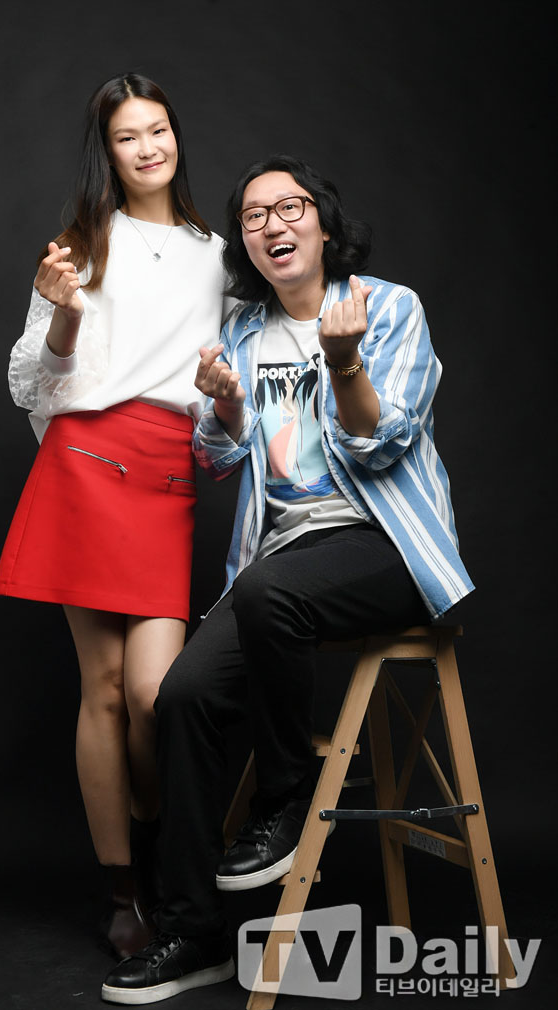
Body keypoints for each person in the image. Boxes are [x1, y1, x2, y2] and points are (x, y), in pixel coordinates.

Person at [100, 154, 475, 1004]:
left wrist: (343, 364)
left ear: (324, 225)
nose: (273, 223)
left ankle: (287, 795)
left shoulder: (386, 308)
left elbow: (381, 444)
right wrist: (228, 411)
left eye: (290, 206)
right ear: (246, 244)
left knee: (271, 592)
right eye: (253, 216)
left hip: (386, 546)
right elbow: (221, 457)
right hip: (284, 564)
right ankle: (193, 931)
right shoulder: (242, 332)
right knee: (182, 697)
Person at [0, 73, 227, 959]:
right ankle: (125, 894)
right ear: (109, 150)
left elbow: (236, 373)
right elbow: (33, 382)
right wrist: (61, 316)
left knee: (153, 695)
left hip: (165, 469)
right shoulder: (82, 243)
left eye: (158, 129)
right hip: (85, 461)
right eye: (128, 136)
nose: (147, 148)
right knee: (101, 688)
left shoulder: (220, 256)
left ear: (176, 136)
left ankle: (160, 848)